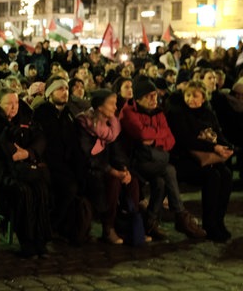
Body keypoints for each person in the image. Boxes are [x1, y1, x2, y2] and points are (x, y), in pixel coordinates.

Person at [0, 87, 50, 258]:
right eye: (9, 104)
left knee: (40, 189)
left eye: (16, 103)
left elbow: (40, 137)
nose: (14, 107)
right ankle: (26, 241)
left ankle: (40, 240)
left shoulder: (26, 115)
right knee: (22, 192)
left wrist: (28, 153)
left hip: (22, 168)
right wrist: (13, 151)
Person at [120, 78, 206, 241]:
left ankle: (151, 224)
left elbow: (170, 140)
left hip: (155, 160)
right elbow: (141, 134)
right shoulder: (129, 112)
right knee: (170, 170)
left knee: (160, 182)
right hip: (136, 161)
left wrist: (154, 140)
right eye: (149, 96)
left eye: (155, 95)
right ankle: (180, 214)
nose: (154, 100)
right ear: (138, 98)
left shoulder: (158, 112)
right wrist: (157, 135)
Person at [165, 81, 234, 242]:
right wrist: (214, 147)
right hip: (184, 159)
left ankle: (219, 220)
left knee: (226, 174)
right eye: (188, 95)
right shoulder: (179, 114)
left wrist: (227, 146)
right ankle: (209, 224)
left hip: (205, 157)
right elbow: (185, 139)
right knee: (212, 177)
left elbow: (218, 132)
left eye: (195, 96)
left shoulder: (207, 113)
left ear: (203, 98)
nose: (191, 99)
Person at [77, 90, 138, 245]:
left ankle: (130, 226)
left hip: (109, 166)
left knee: (133, 182)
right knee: (113, 182)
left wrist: (124, 169)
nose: (115, 108)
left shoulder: (113, 124)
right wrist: (112, 171)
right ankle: (108, 227)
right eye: (111, 104)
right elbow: (87, 155)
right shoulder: (84, 123)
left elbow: (118, 150)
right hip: (90, 169)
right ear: (99, 107)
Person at [32, 76, 89, 243]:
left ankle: (74, 228)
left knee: (85, 181)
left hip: (66, 162)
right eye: (59, 89)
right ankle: (51, 226)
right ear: (50, 93)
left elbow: (73, 143)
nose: (64, 92)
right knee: (69, 187)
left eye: (65, 89)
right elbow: (42, 142)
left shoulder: (67, 114)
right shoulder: (42, 113)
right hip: (48, 163)